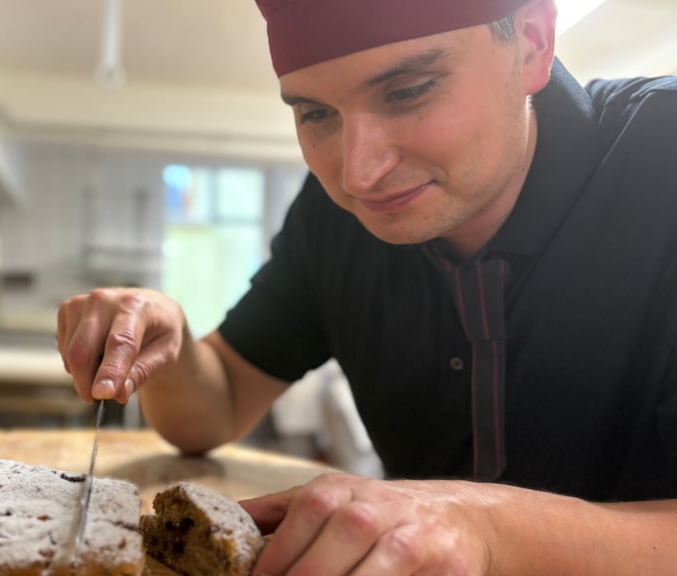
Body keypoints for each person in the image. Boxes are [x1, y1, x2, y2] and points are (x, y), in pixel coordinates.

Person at [57, 0, 677, 573]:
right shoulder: (335, 221)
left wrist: (483, 528)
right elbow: (214, 407)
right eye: (315, 114)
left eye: (408, 91)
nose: (359, 175)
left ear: (533, 42)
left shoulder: (663, 153)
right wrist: (168, 338)